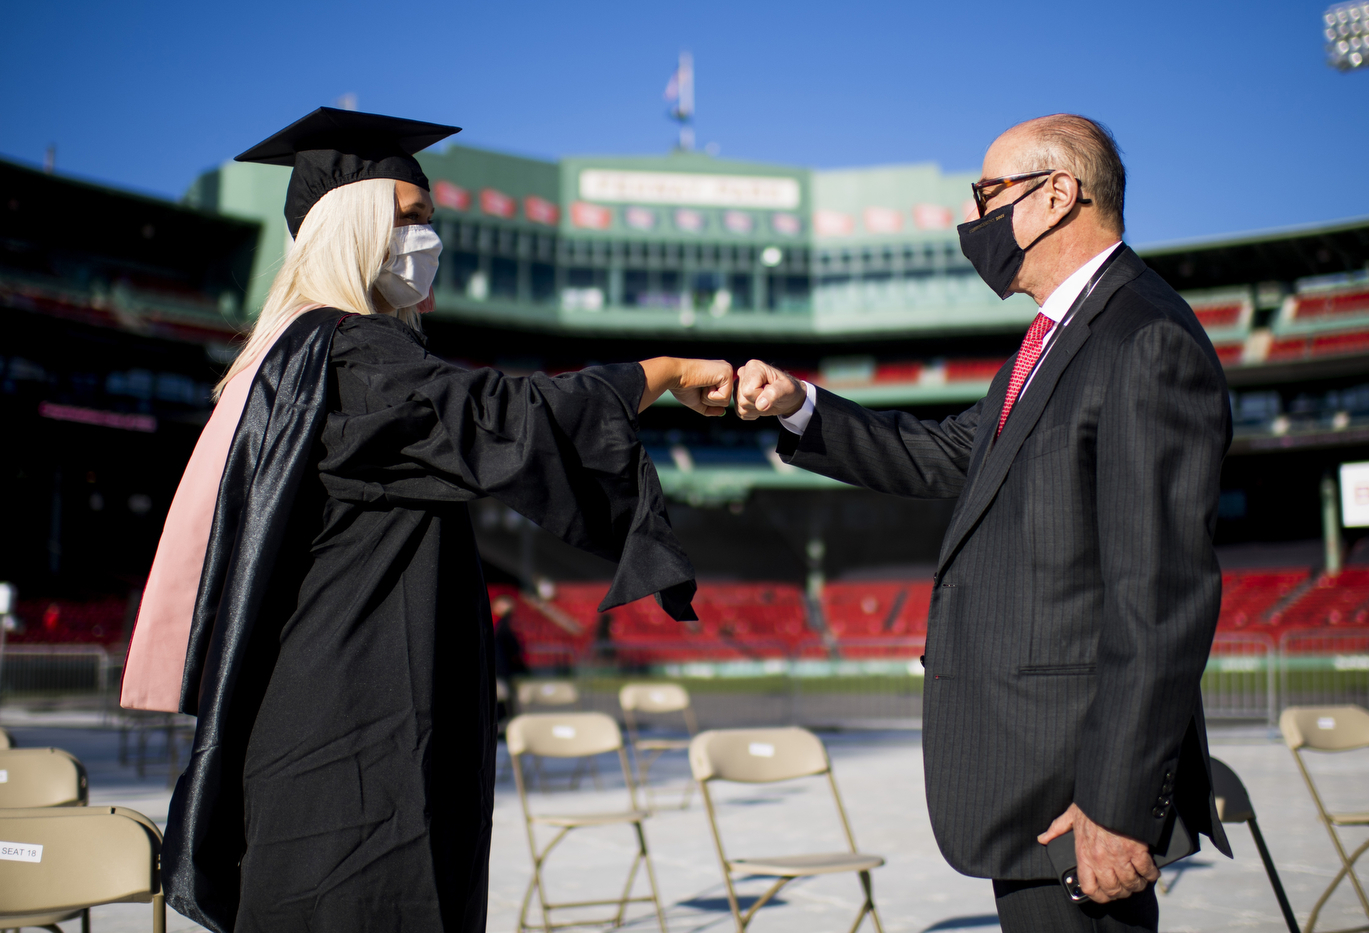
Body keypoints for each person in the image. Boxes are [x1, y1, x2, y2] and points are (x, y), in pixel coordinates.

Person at [118, 107, 733, 933]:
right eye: (408, 217)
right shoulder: (348, 355)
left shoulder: (298, 356)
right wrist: (661, 371)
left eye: (430, 220)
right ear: (350, 227)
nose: (426, 238)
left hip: (342, 731)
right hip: (355, 749)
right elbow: (498, 416)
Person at [735, 114, 1231, 933]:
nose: (973, 220)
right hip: (1032, 779)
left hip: (1077, 796)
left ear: (1058, 195)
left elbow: (1160, 595)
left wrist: (1115, 802)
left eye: (987, 194)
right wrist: (800, 405)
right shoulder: (1056, 339)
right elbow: (943, 453)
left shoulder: (1142, 339)